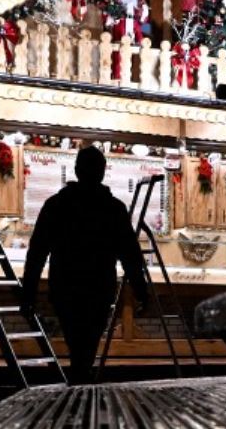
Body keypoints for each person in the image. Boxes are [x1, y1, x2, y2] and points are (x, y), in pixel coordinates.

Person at [21, 145, 151, 384]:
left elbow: (37, 252)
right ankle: (82, 380)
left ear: (76, 170)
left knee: (75, 339)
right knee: (89, 341)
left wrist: (28, 292)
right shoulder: (114, 209)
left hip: (65, 286)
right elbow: (130, 255)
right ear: (102, 172)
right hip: (99, 287)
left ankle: (79, 381)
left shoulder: (56, 205)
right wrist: (142, 291)